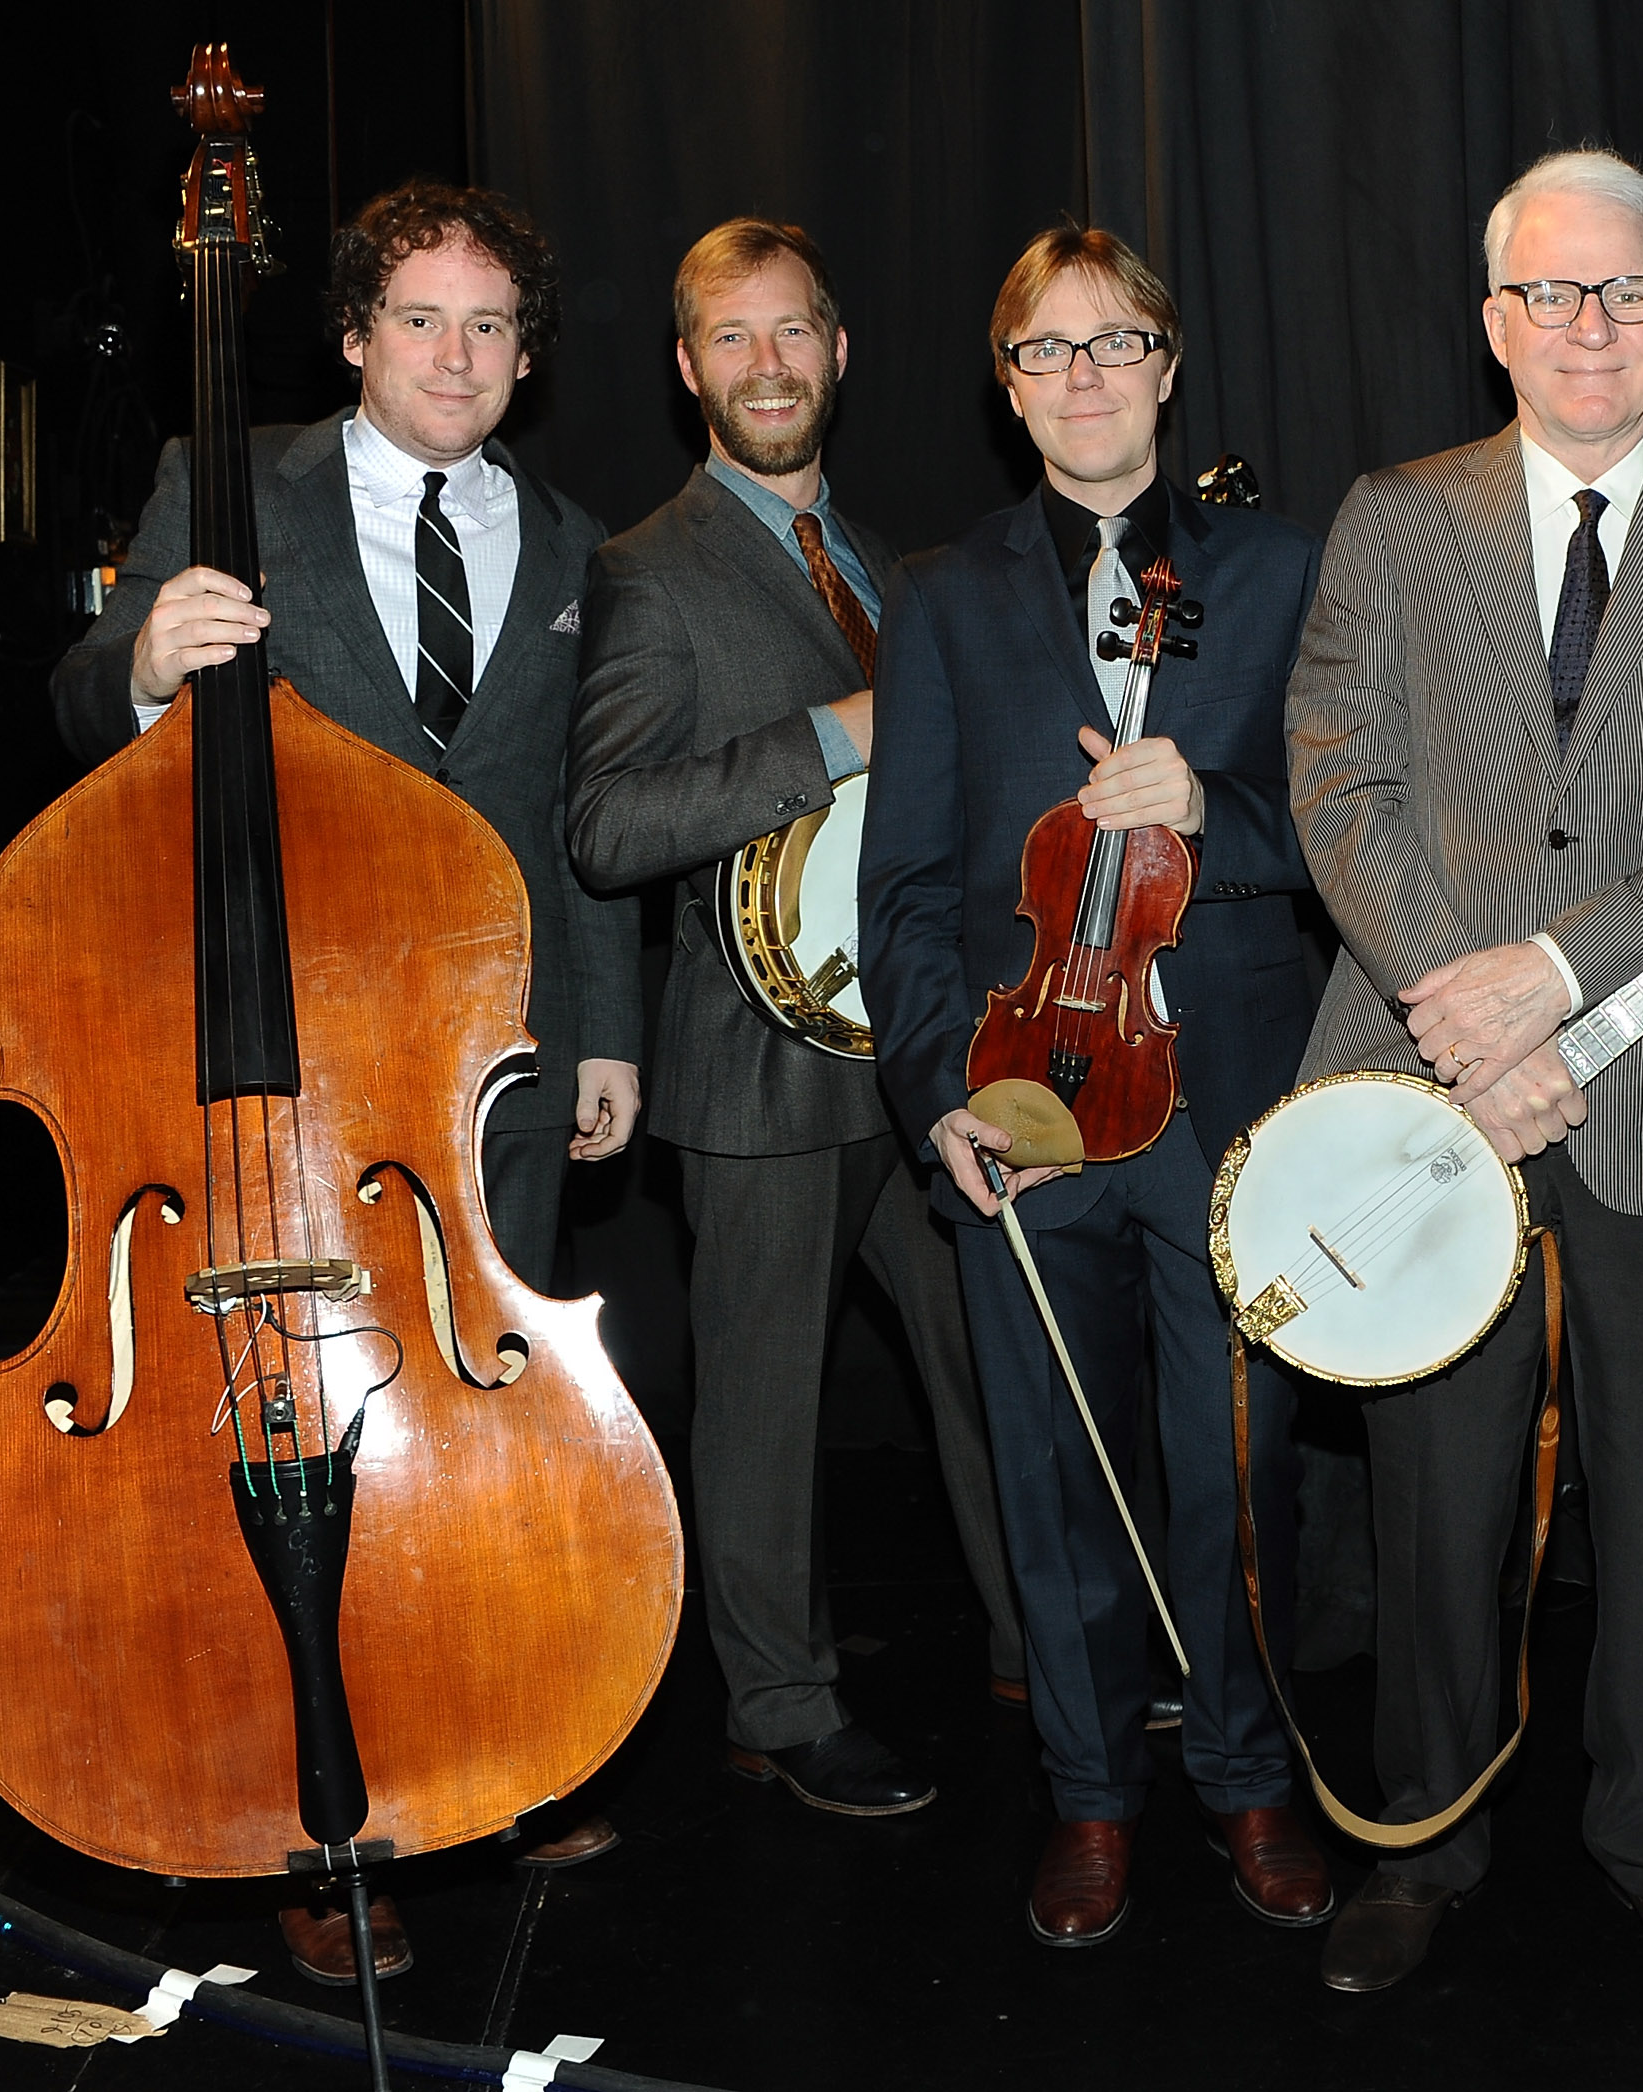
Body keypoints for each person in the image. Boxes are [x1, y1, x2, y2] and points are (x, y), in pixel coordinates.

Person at [55, 178, 636, 1988]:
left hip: (485, 1077)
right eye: (421, 322)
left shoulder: (569, 538)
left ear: (525, 360)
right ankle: (316, 1803)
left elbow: (569, 818)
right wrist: (141, 663)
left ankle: (485, 1752)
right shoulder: (230, 484)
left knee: (473, 1441)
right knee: (300, 1427)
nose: (455, 357)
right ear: (355, 337)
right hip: (280, 1079)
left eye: (489, 329)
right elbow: (81, 702)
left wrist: (603, 1017)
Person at [1287, 149, 1643, 2004]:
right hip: (1420, 1075)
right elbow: (1337, 781)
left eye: (1624, 295)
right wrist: (1463, 1004)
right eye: (1550, 294)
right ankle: (1421, 1837)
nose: (1586, 327)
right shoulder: (1392, 516)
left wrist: (1553, 976)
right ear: (1494, 321)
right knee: (1433, 1491)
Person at [856, 225, 1331, 1949]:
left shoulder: (1279, 567)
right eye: (1046, 352)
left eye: (1115, 343)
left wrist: (1217, 813)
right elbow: (901, 889)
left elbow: (1342, 831)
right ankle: (1088, 1798)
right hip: (1027, 1102)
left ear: (1169, 364)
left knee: (1242, 1466)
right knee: (1053, 1475)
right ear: (1007, 386)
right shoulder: (950, 590)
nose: (1085, 378)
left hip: (1227, 1104)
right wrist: (938, 1098)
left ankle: (1247, 1772)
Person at [566, 220, 1024, 1827]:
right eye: (731, 339)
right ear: (689, 367)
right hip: (757, 1062)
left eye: (795, 334)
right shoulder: (643, 568)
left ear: (840, 351)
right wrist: (835, 730)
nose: (769, 365)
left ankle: (1043, 1648)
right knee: (764, 1403)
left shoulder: (901, 568)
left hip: (914, 1050)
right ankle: (777, 1705)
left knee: (995, 1357)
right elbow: (608, 827)